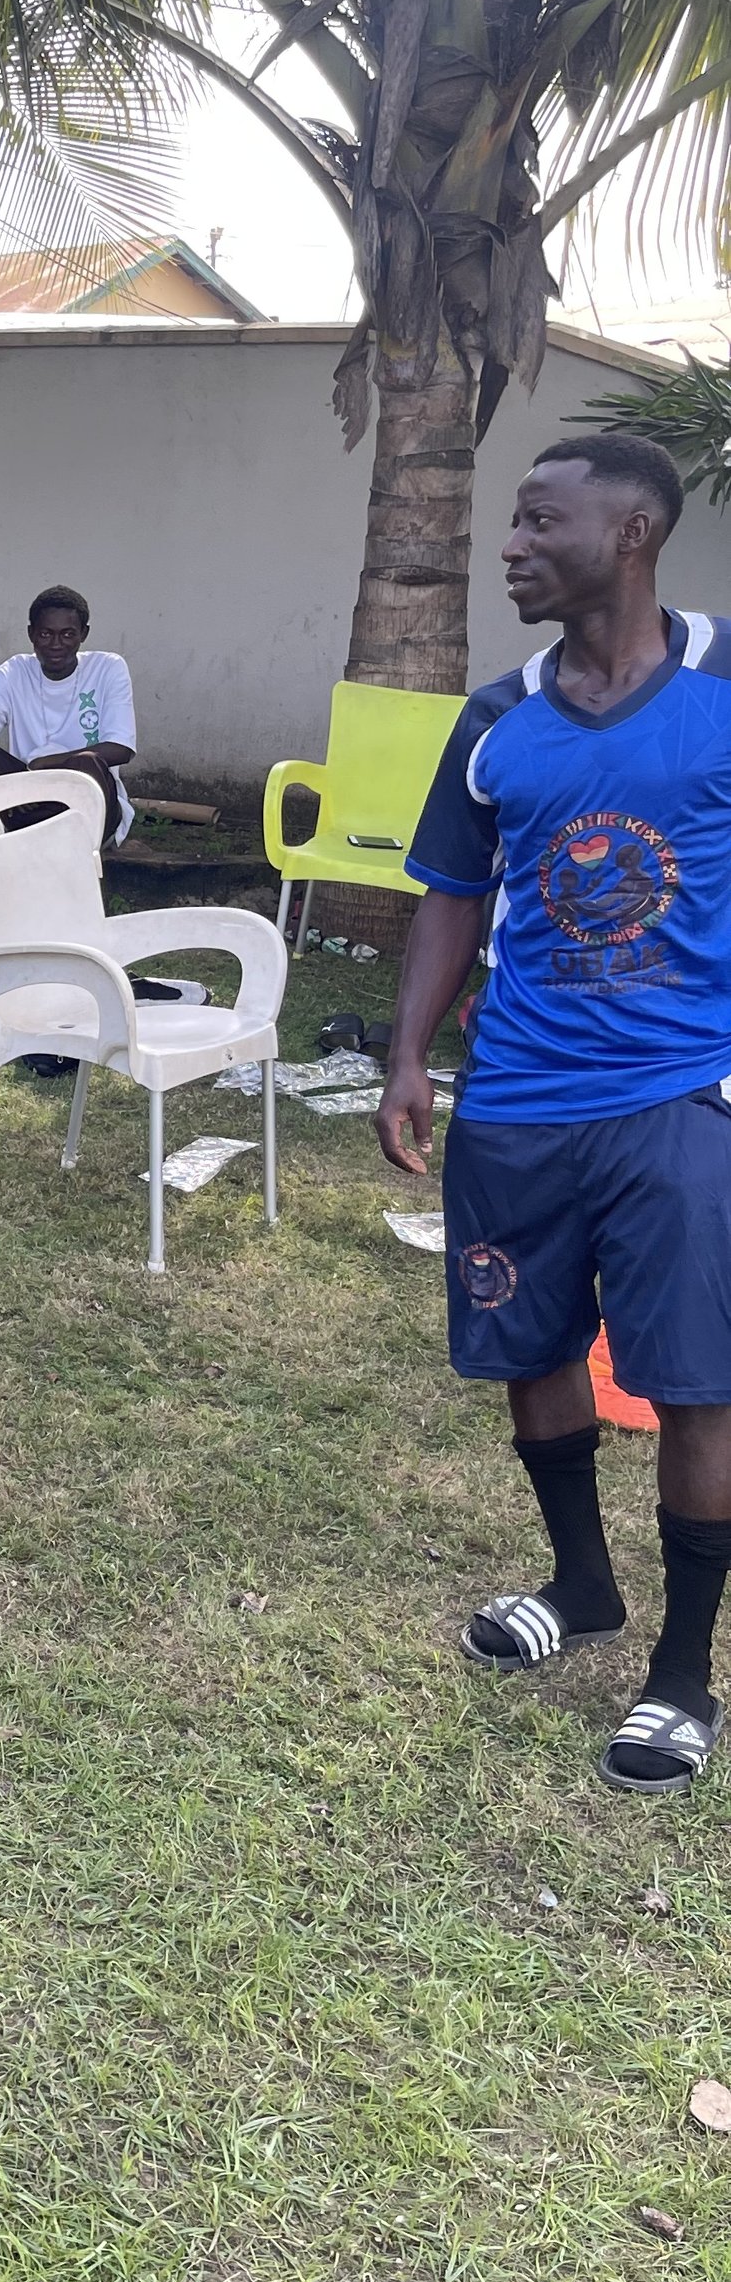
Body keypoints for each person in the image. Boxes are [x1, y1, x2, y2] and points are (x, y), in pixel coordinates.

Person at [379, 431, 731, 1798]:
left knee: (696, 1379)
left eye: (538, 520)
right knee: (527, 1346)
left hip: (680, 1097)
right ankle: (582, 1585)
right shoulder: (495, 720)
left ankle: (685, 1672)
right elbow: (452, 896)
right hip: (517, 1100)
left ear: (630, 535)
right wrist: (410, 1053)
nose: (510, 544)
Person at [0, 585, 137, 847]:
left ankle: (83, 854)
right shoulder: (14, 671)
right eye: (46, 634)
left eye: (67, 634)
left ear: (83, 634)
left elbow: (122, 748)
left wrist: (46, 766)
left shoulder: (108, 668)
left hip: (88, 800)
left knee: (88, 763)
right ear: (31, 633)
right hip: (26, 799)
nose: (56, 645)